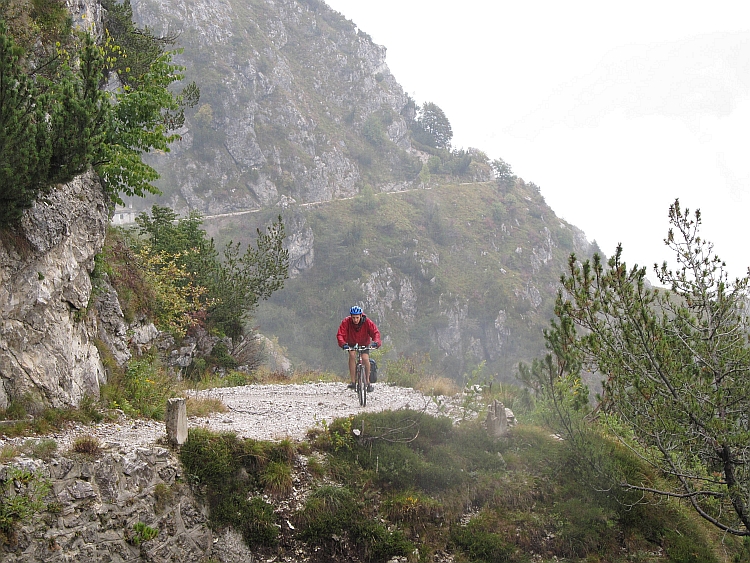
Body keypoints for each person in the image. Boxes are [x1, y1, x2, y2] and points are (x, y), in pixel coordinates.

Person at [336, 306, 381, 392]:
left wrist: (376, 342)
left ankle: (367, 382)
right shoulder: (346, 322)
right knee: (352, 355)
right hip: (352, 343)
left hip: (364, 343)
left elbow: (375, 332)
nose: (355, 320)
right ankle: (353, 382)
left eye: (357, 317)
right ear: (351, 317)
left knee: (365, 358)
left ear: (361, 316)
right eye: (353, 318)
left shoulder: (367, 322)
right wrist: (343, 344)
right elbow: (340, 334)